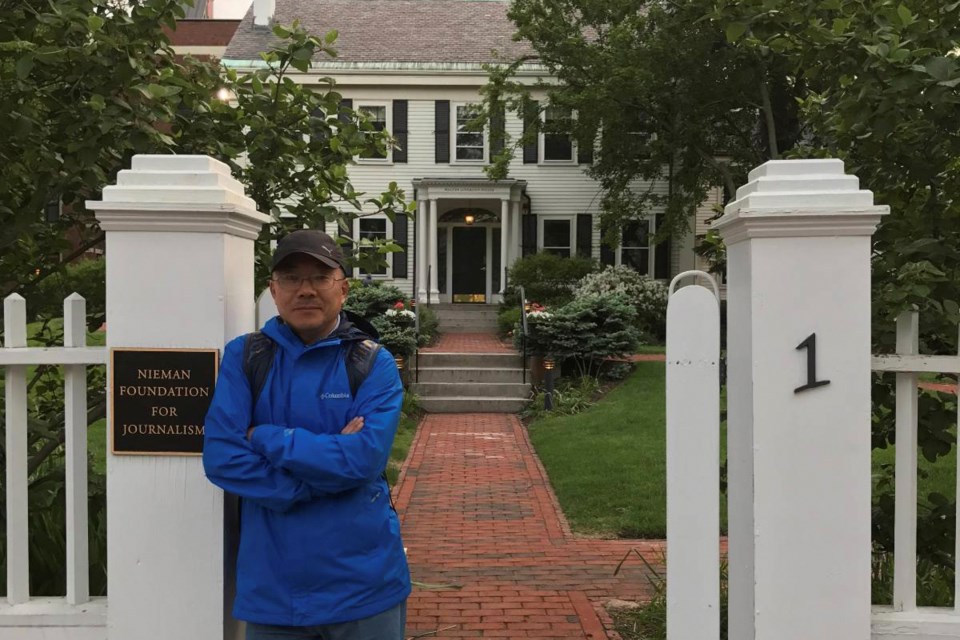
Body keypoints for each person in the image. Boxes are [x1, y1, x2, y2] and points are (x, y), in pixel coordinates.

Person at [203, 229, 410, 640]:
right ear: (273, 290)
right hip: (275, 591)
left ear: (344, 289)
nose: (306, 290)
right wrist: (318, 480)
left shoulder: (372, 363)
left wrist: (263, 437)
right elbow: (223, 458)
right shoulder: (245, 358)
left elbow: (364, 459)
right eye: (292, 279)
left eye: (320, 278)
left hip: (365, 587)